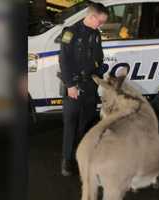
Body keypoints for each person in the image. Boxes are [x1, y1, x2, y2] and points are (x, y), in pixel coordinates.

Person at [58, 2, 109, 176]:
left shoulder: (95, 34)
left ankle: (82, 154)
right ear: (92, 16)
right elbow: (64, 61)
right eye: (100, 21)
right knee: (71, 122)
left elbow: (99, 56)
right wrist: (70, 85)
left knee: (86, 122)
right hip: (74, 85)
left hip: (90, 85)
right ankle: (67, 159)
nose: (100, 25)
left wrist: (100, 68)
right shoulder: (70, 32)